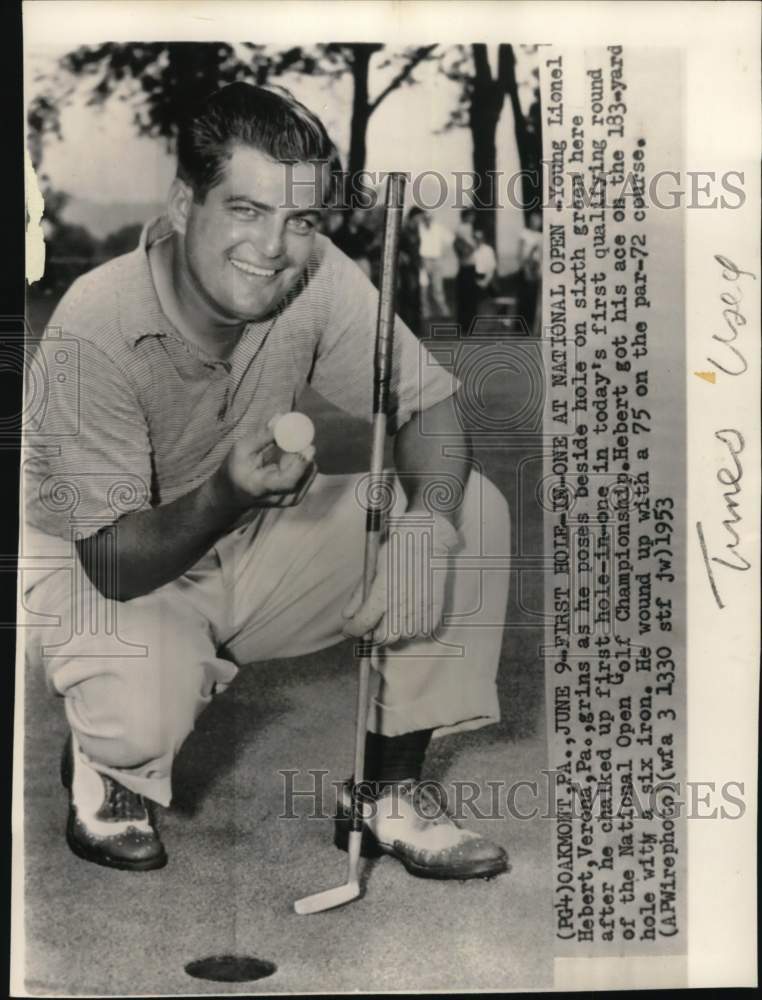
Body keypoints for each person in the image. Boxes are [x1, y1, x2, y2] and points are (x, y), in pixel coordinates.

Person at [22, 83, 511, 881]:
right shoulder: (95, 322)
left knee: (471, 512)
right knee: (141, 709)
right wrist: (225, 493)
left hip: (245, 538)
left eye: (301, 219)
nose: (275, 246)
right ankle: (108, 764)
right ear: (185, 204)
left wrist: (427, 528)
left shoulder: (316, 276)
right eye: (246, 210)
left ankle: (386, 797)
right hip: (107, 567)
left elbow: (434, 412)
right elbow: (115, 562)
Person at [413, 208, 452, 319]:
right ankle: (425, 313)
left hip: (436, 261)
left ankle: (444, 312)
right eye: (425, 218)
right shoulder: (419, 228)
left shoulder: (439, 228)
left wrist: (443, 254)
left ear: (433, 218)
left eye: (429, 217)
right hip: (423, 260)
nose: (427, 220)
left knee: (438, 288)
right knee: (423, 288)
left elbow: (450, 240)